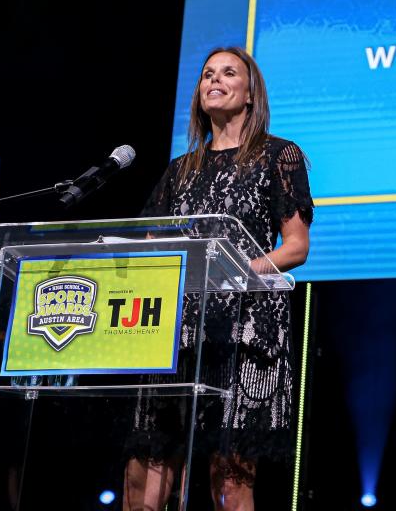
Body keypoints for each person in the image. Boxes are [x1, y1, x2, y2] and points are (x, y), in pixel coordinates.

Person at [124, 47, 313, 511]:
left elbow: (295, 246)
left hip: (245, 333)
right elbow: (151, 243)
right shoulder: (179, 170)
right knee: (142, 484)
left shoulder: (278, 155)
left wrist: (233, 274)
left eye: (229, 73)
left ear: (250, 94)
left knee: (229, 485)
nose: (215, 79)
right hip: (176, 333)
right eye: (207, 73)